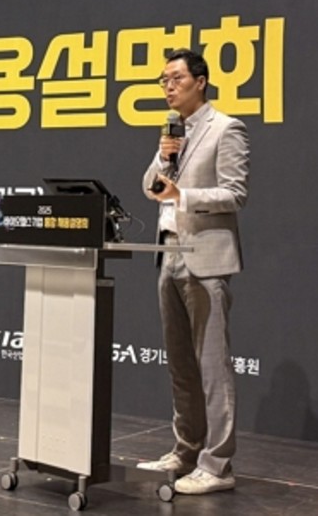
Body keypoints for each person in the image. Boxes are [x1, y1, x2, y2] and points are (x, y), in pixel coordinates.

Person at [137, 48, 249, 495]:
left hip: (206, 256)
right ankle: (186, 451)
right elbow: (149, 187)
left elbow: (234, 193)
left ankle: (218, 465)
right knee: (180, 363)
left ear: (200, 81)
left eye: (176, 78)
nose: (168, 86)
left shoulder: (226, 128)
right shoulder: (172, 132)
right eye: (163, 80)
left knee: (211, 365)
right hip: (169, 252)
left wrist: (183, 195)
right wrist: (165, 157)